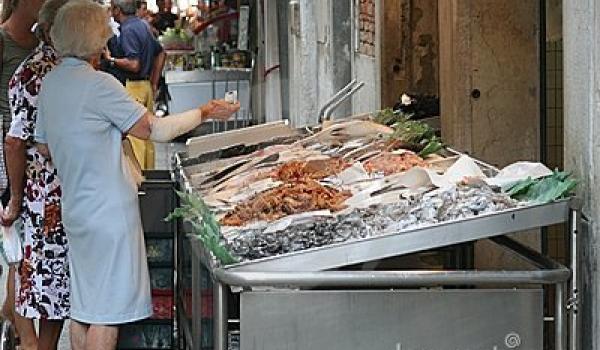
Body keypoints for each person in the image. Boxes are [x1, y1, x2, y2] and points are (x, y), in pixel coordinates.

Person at [36, 1, 239, 349]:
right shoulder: (100, 85)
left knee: (85, 307)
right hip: (109, 213)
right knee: (107, 312)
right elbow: (156, 130)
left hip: (77, 209)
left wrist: (85, 148)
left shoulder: (51, 84)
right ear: (97, 40)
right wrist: (204, 111)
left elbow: (43, 148)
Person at [3, 0, 71, 349]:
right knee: (43, 274)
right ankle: (34, 345)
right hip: (50, 191)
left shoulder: (37, 69)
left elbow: (15, 141)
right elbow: (14, 141)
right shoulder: (54, 70)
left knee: (36, 271)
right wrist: (14, 198)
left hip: (45, 192)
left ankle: (34, 345)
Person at [0, 0, 43, 333]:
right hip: (7, 147)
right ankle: (19, 329)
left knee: (24, 239)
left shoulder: (42, 43)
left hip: (36, 153)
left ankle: (10, 313)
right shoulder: (2, 40)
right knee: (14, 235)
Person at [105, 0, 167, 170]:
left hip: (134, 87)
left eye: (111, 8)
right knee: (148, 135)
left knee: (135, 136)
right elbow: (161, 53)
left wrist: (111, 60)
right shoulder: (143, 25)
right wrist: (153, 83)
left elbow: (134, 64)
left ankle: (139, 179)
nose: (110, 12)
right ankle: (148, 174)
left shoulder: (128, 29)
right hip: (145, 85)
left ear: (118, 10)